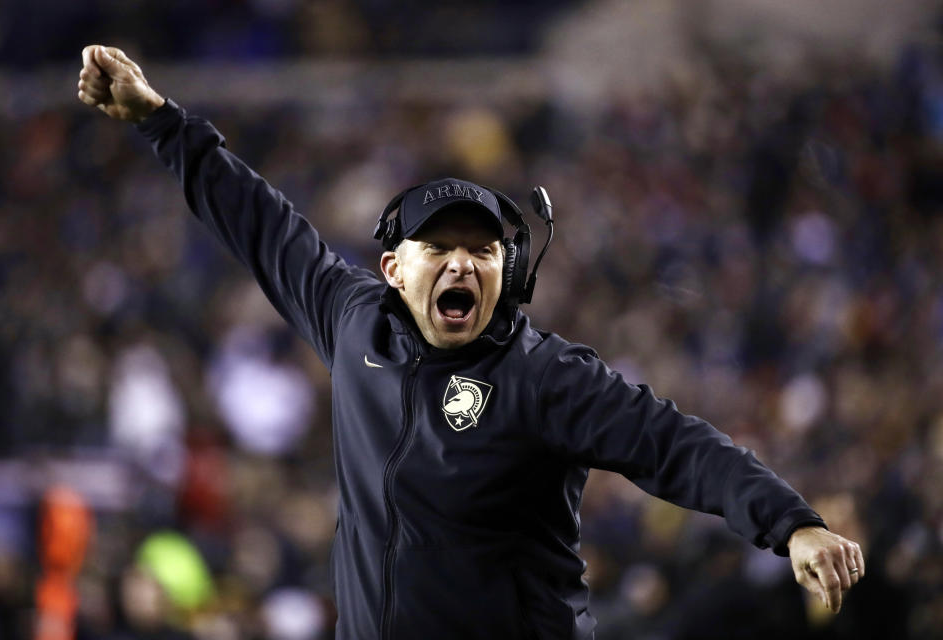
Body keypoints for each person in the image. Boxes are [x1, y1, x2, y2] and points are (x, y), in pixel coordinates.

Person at [77, 44, 865, 639]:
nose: (462, 261)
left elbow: (678, 445)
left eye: (483, 249)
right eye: (438, 245)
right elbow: (261, 225)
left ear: (506, 269)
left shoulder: (544, 377)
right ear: (393, 267)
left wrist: (790, 522)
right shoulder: (355, 321)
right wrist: (158, 120)